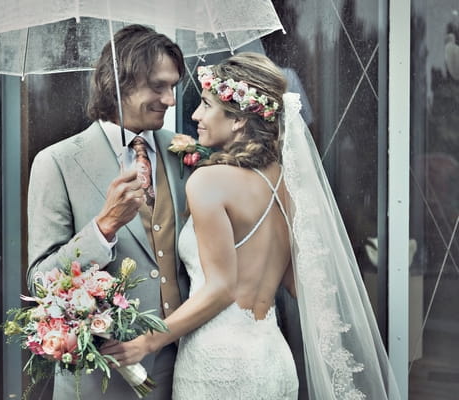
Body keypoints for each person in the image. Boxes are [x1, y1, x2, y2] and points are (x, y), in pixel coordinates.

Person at [103, 52, 401, 399]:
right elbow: (297, 283)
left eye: (205, 104)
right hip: (274, 358)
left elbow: (222, 289)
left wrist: (146, 343)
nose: (195, 115)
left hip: (218, 364)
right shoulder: (288, 182)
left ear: (239, 121)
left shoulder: (208, 181)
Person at [27, 24, 190, 399]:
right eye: (157, 86)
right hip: (104, 376)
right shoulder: (57, 162)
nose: (169, 100)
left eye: (173, 87)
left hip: (184, 366)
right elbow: (40, 282)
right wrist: (104, 226)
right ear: (119, 83)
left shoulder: (183, 152)